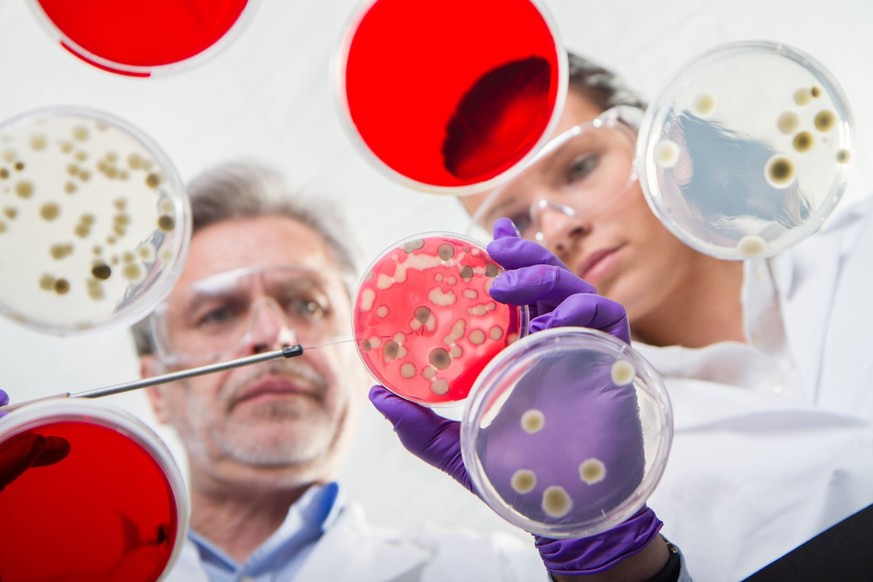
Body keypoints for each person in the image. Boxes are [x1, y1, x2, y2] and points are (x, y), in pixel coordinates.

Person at [0, 160, 684, 581]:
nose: (272, 333)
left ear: (366, 355)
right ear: (155, 383)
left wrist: (602, 546)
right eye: (216, 315)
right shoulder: (44, 566)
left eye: (305, 303)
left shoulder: (492, 574)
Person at [439, 52, 873, 580]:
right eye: (518, 220)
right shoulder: (612, 467)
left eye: (579, 168)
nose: (556, 230)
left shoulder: (860, 246)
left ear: (662, 143)